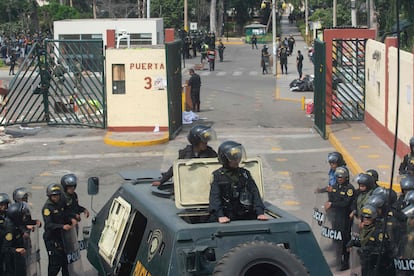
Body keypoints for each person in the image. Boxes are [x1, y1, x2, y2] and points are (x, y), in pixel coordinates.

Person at [208, 140, 269, 223]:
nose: (237, 160)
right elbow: (215, 197)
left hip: (244, 214)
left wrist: (259, 212)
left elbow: (255, 193)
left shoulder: (245, 174)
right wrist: (220, 215)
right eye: (233, 158)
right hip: (226, 215)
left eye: (238, 157)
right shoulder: (218, 176)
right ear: (224, 159)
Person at [152, 125, 218, 186]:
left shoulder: (210, 153)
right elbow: (175, 167)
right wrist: (161, 181)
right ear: (196, 142)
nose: (206, 144)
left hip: (203, 183)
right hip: (187, 183)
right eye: (203, 142)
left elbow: (218, 164)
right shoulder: (186, 152)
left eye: (206, 142)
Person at [346, 204, 396, 276]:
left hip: (377, 265)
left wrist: (367, 250)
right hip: (367, 262)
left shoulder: (378, 231)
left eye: (368, 218)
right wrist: (353, 242)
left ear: (373, 218)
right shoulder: (366, 229)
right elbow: (365, 242)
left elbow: (382, 249)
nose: (366, 220)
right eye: (364, 218)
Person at [42, 183, 78, 276]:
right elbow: (49, 225)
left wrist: (71, 219)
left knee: (65, 261)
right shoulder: (47, 208)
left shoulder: (60, 204)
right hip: (52, 239)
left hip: (62, 237)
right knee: (55, 263)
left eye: (58, 195)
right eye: (54, 195)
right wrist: (62, 226)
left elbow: (64, 215)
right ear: (50, 196)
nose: (56, 197)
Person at [324, 166, 355, 271]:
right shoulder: (335, 186)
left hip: (345, 220)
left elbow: (345, 203)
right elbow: (331, 197)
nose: (339, 179)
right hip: (336, 218)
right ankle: (338, 260)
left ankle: (345, 262)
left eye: (341, 177)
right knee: (336, 240)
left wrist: (332, 204)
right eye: (337, 177)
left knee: (345, 240)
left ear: (346, 177)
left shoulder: (349, 189)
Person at [1, 202, 37, 275]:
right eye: (22, 216)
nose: (24, 218)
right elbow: (4, 249)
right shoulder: (10, 230)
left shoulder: (15, 225)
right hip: (11, 263)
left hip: (17, 260)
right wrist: (16, 250)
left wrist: (23, 233)